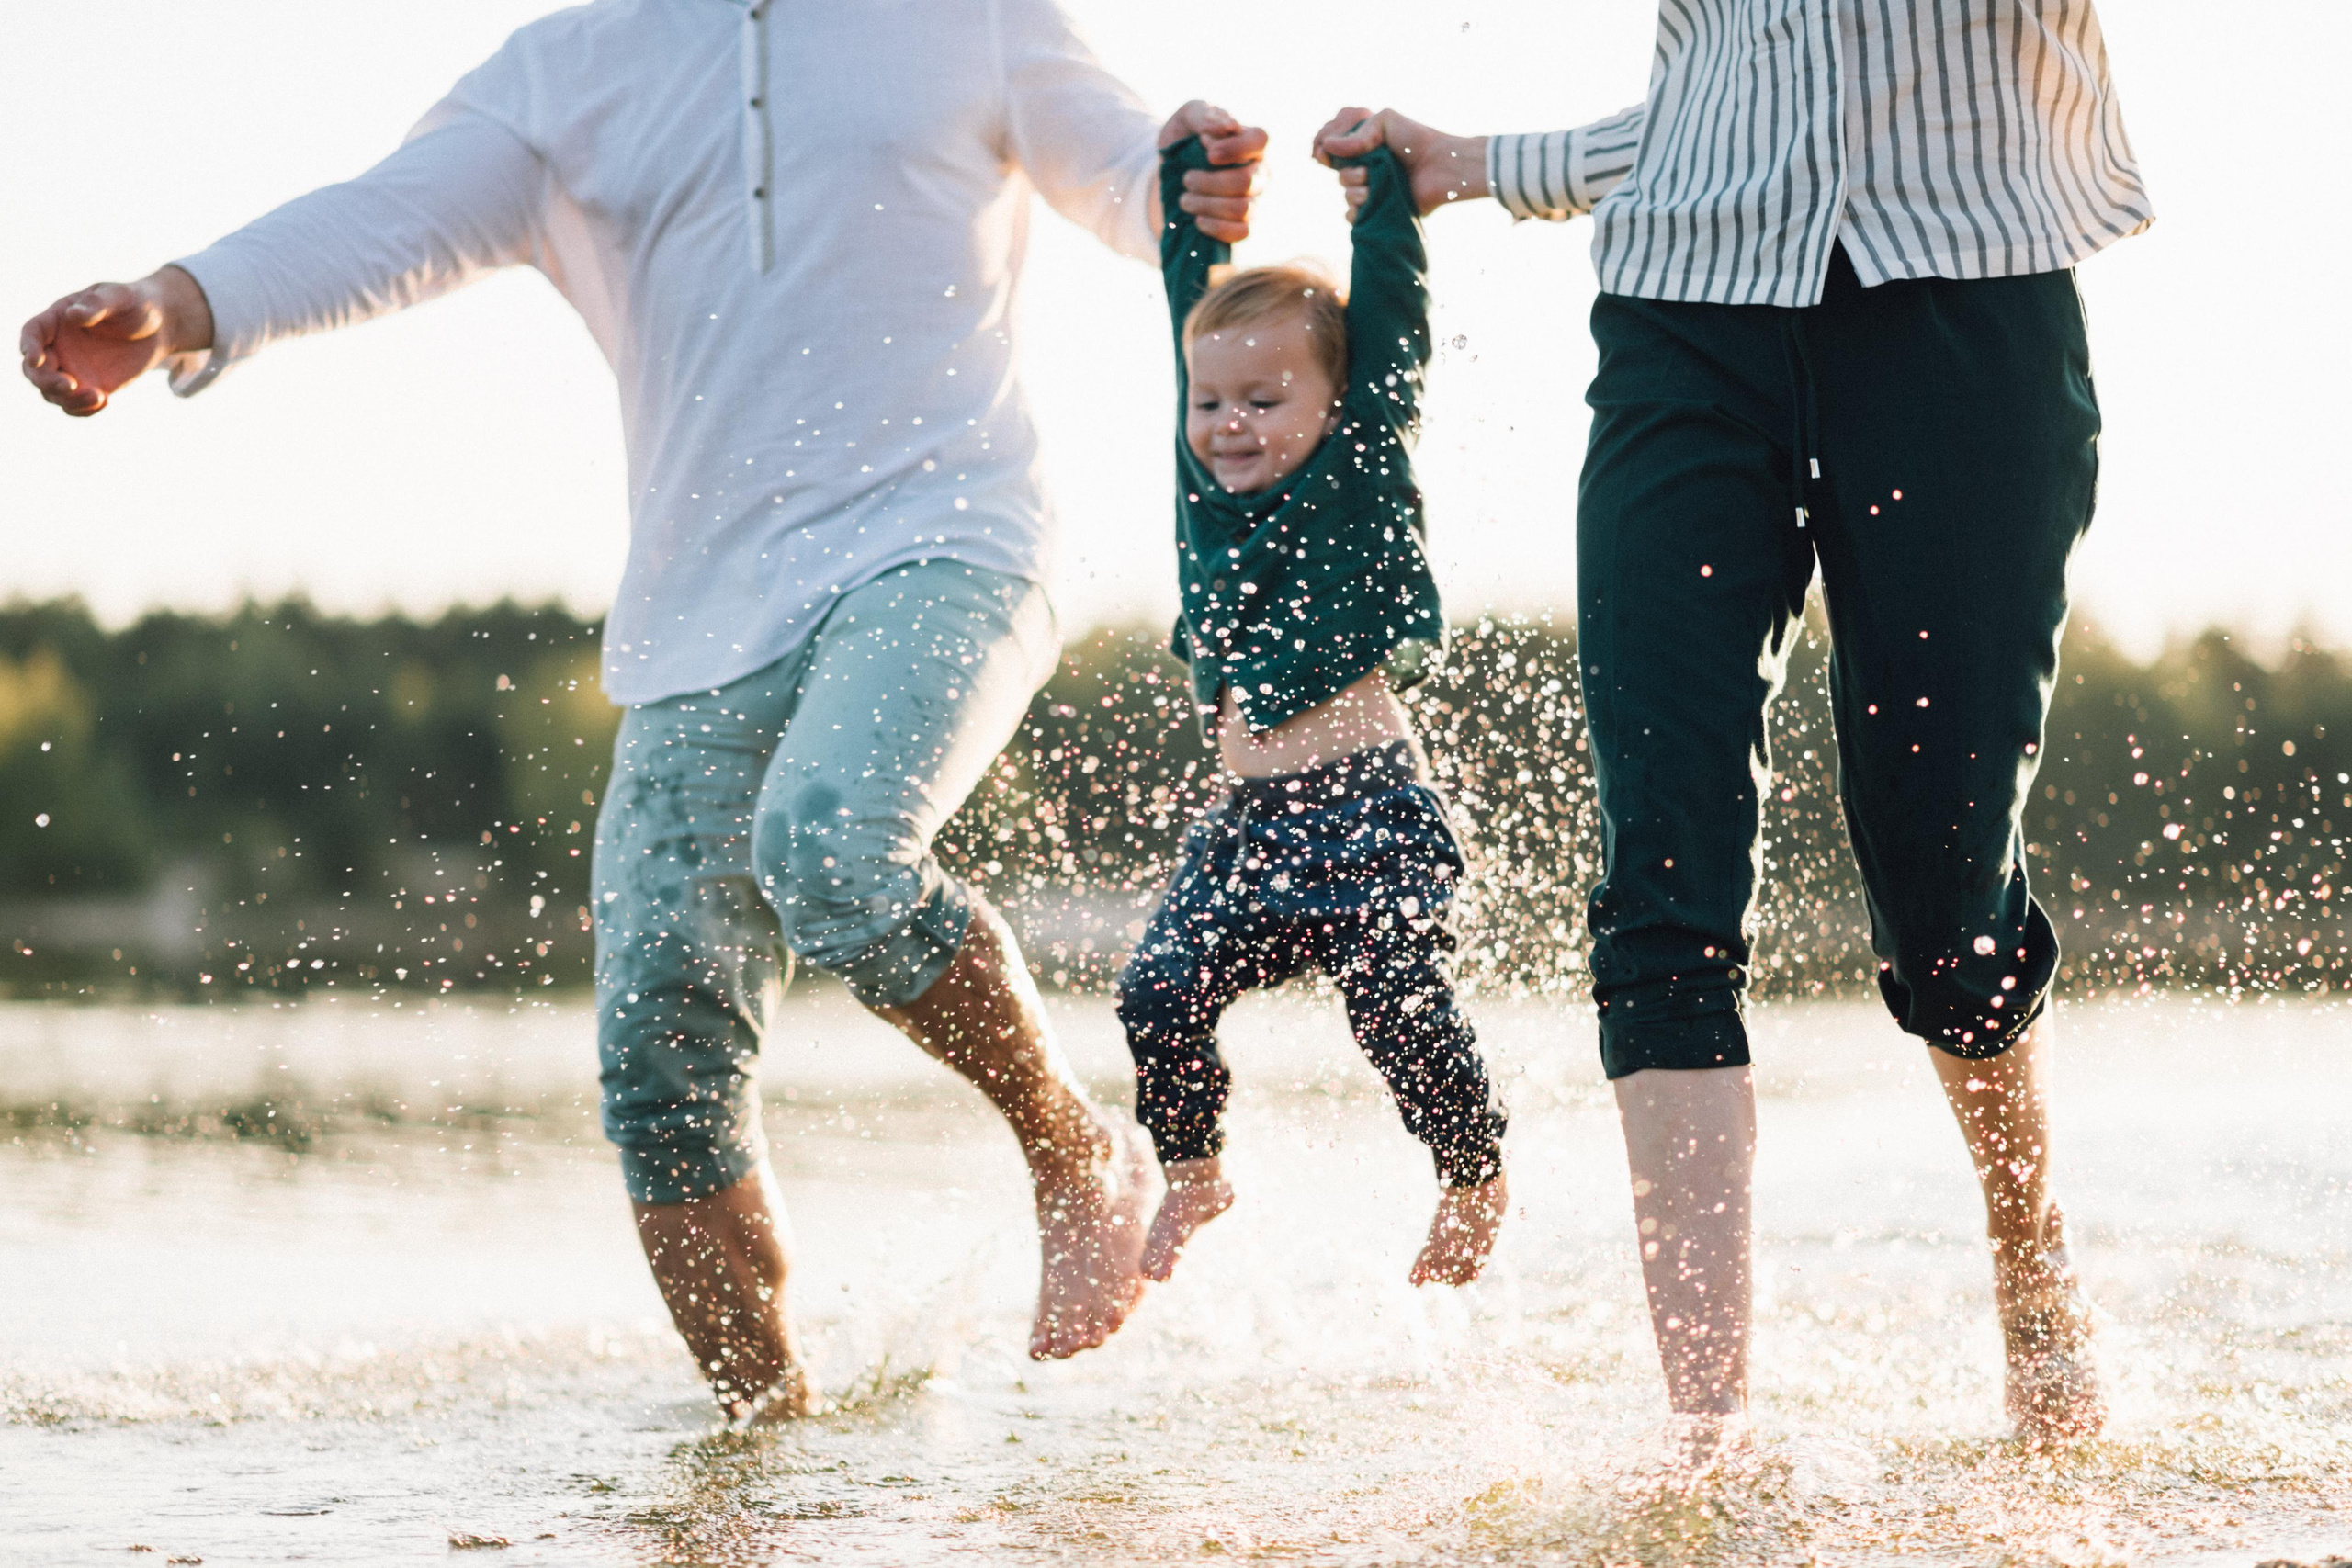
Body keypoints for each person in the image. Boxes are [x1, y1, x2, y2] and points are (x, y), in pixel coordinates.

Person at [18, 0, 1266, 1420]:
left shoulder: (966, 16)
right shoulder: (570, 69)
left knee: (834, 842)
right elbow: (382, 221)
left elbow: (1121, 171)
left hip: (946, 541)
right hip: (699, 620)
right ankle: (761, 1446)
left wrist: (1186, 171)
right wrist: (179, 301)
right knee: (659, 1070)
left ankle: (1072, 1152)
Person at [1315, 0, 2153, 1445]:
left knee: (1944, 874)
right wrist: (1469, 161)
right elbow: (1733, 99)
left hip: (1966, 307)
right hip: (1687, 324)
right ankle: (1705, 1452)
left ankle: (2030, 1247)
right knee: (1664, 869)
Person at [1114, 136, 1510, 1292]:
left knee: (1392, 1000)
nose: (1229, 423)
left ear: (1336, 403)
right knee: (1156, 991)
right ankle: (1193, 1170)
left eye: (1264, 399)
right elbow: (1190, 303)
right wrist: (1192, 182)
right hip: (1248, 820)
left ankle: (1472, 1172)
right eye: (1211, 401)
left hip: (1368, 807)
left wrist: (1381, 198)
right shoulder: (1204, 495)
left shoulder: (1357, 471)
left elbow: (1389, 326)